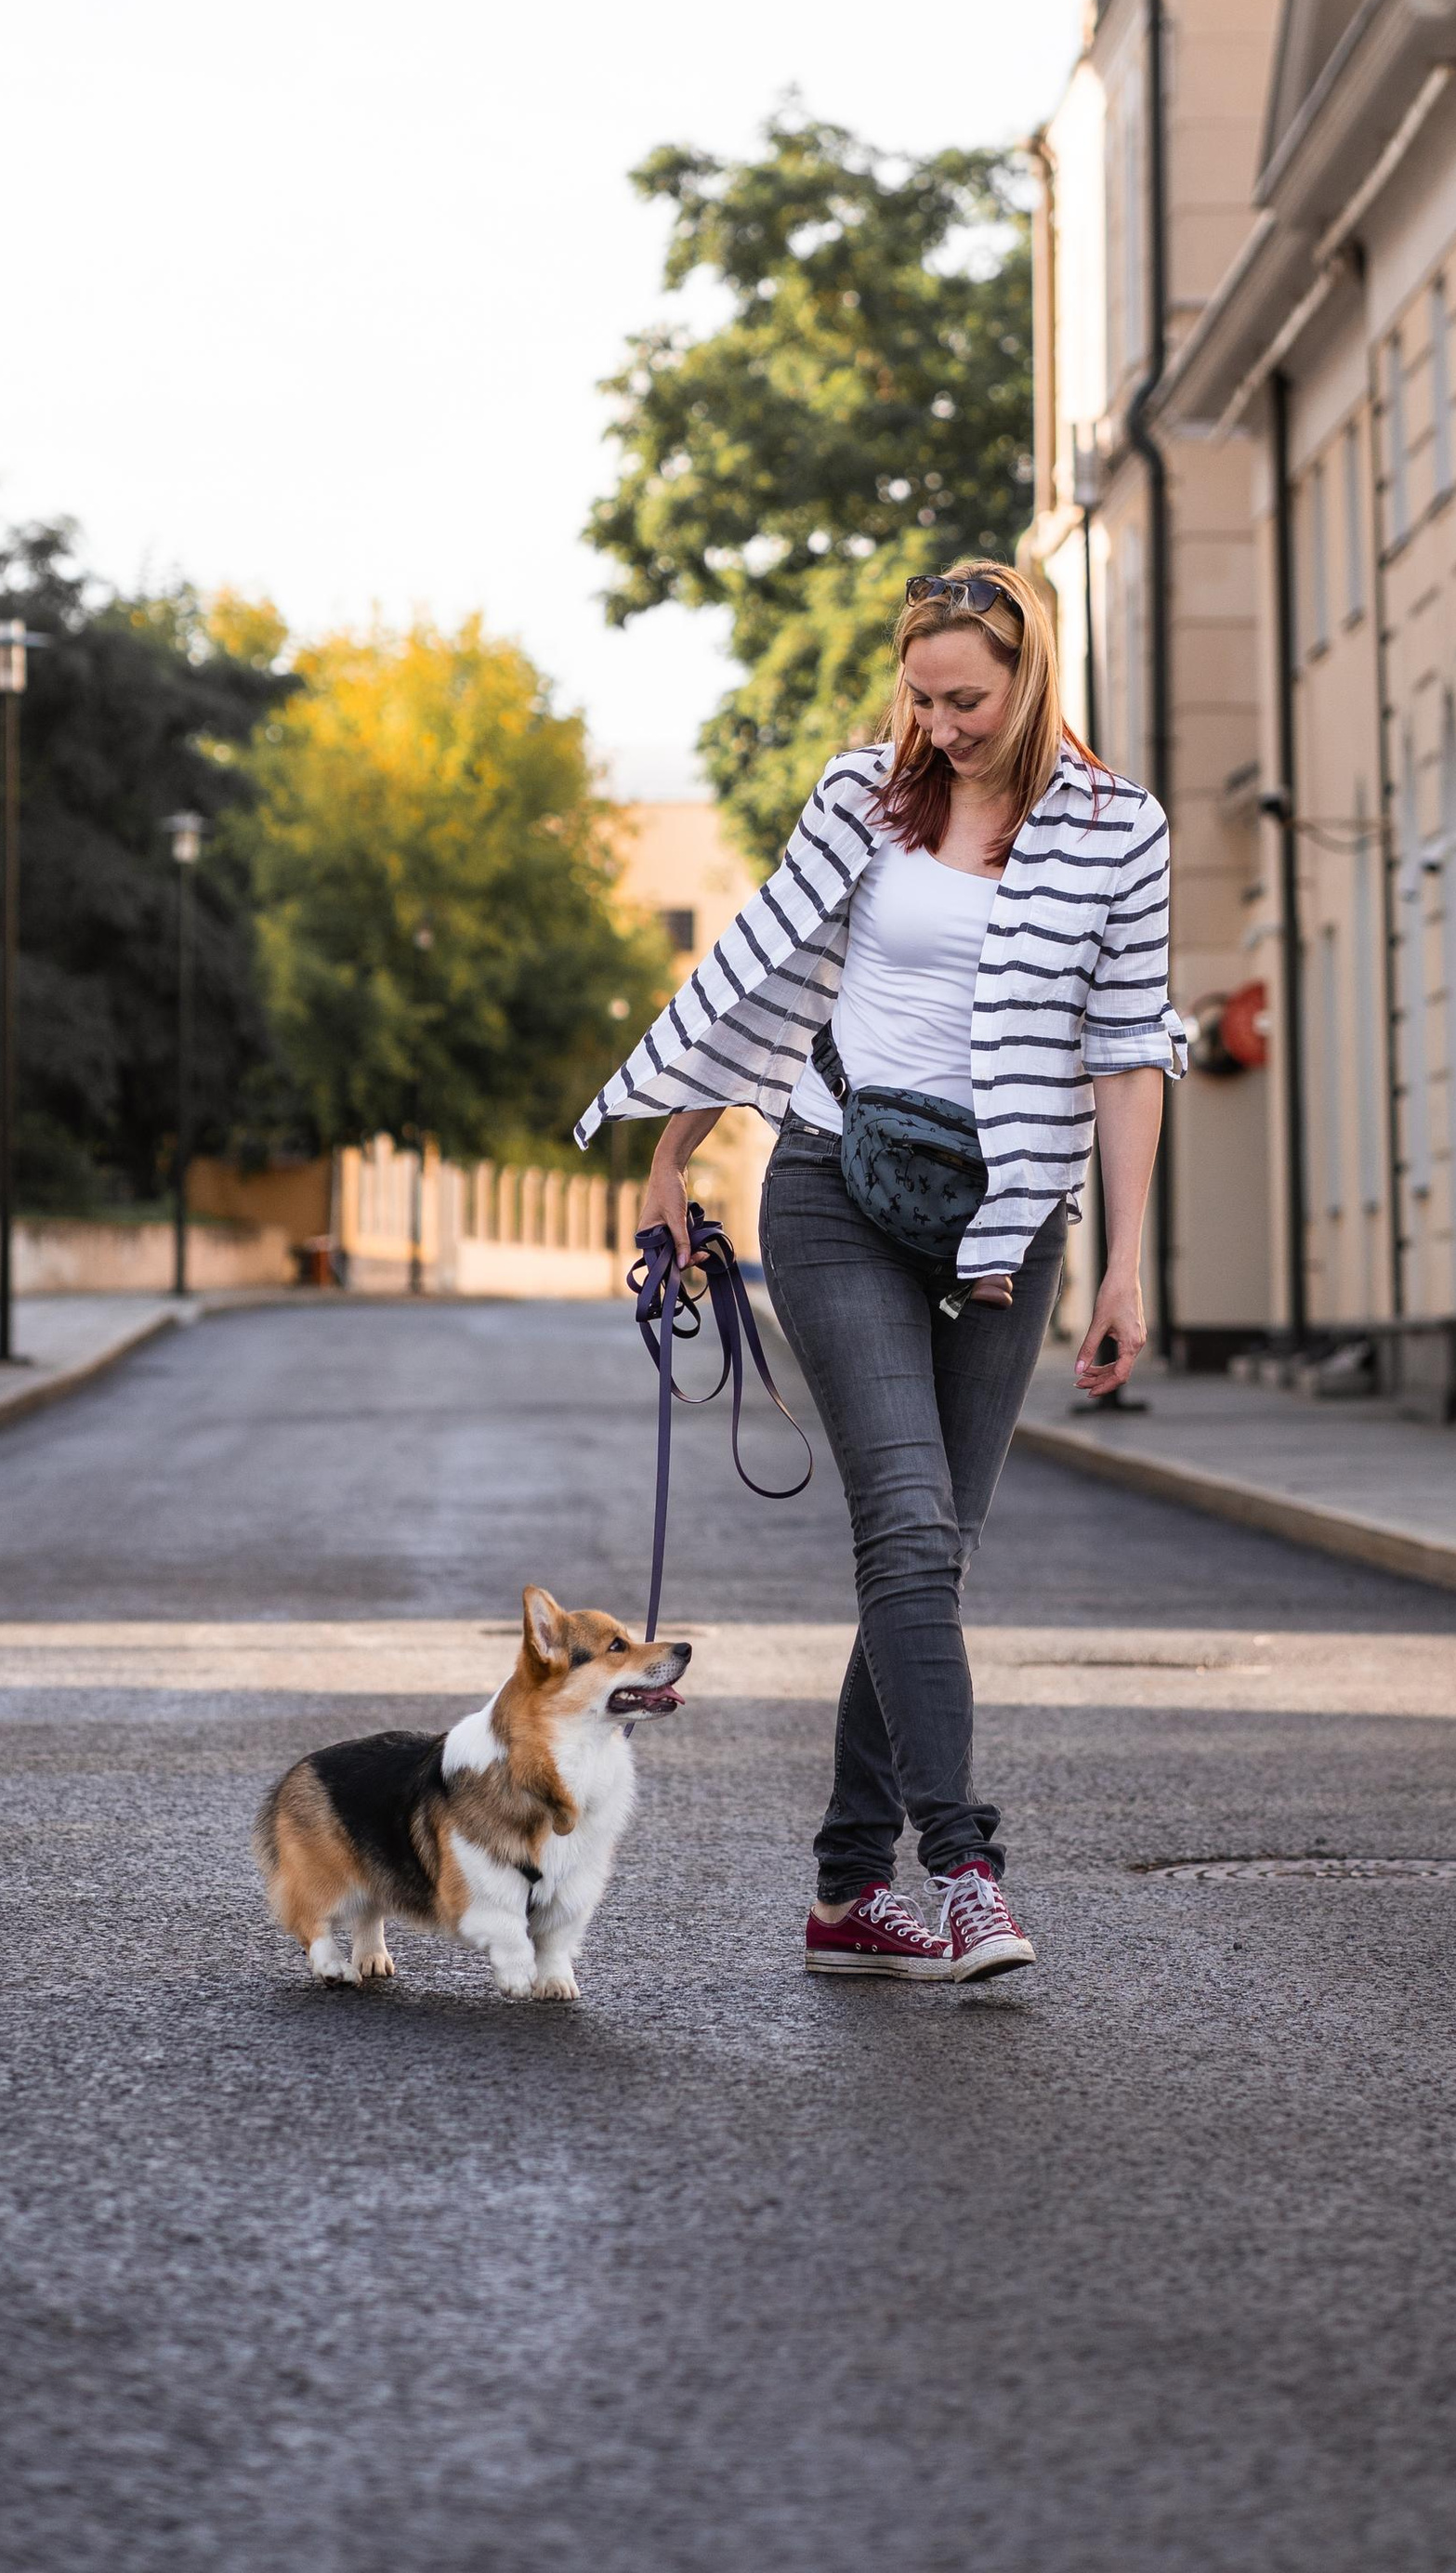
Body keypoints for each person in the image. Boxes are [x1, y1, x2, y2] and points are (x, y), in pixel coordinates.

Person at [575, 559, 1185, 1980]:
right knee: (907, 1530)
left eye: (966, 698)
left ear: (1032, 679)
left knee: (931, 1555)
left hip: (1010, 1215)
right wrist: (673, 1158)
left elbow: (1130, 1053)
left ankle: (850, 1898)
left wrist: (1125, 1270)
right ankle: (963, 1866)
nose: (941, 723)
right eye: (919, 694)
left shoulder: (1119, 831)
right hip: (834, 1182)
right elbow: (761, 972)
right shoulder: (863, 794)